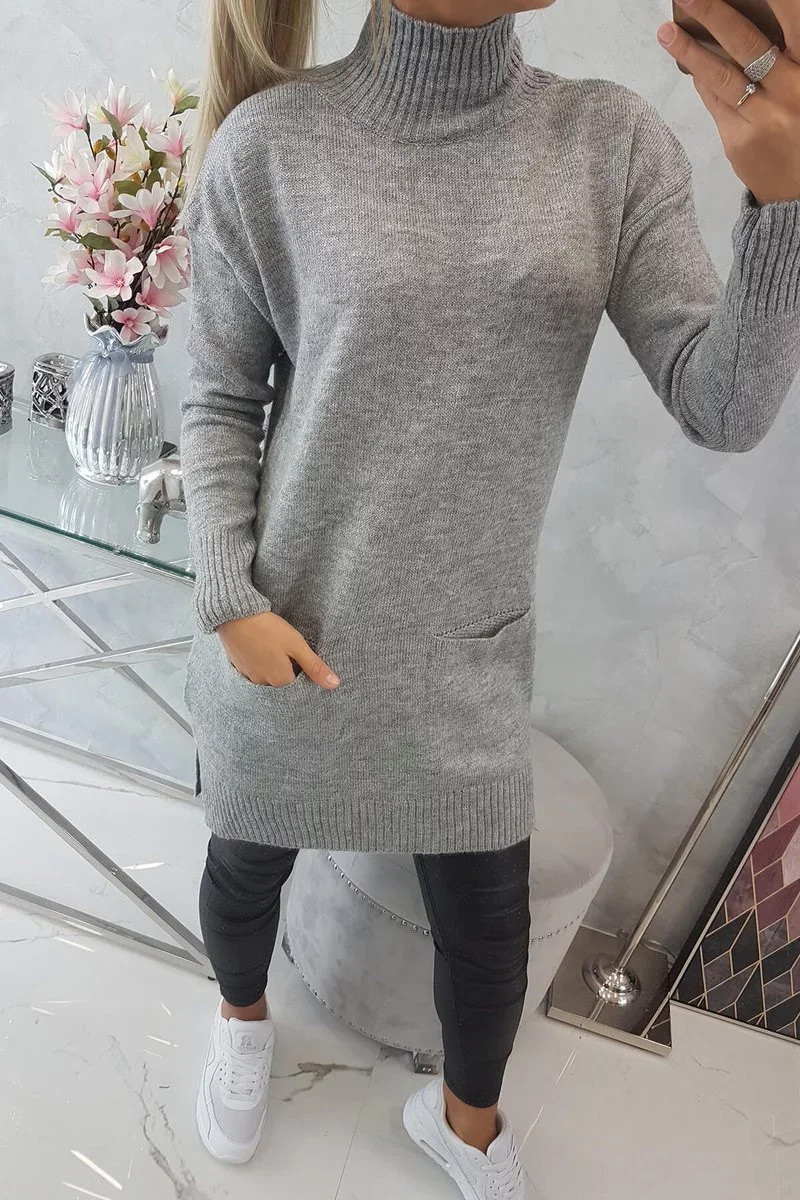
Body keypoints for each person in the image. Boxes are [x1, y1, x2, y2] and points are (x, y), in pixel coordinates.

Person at [180, 0, 800, 1194]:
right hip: (287, 629)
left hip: (463, 657)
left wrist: (781, 205)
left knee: (488, 932)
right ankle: (241, 1023)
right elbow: (215, 394)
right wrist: (226, 596)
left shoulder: (605, 144)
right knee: (245, 871)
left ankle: (462, 1125)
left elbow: (721, 408)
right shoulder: (273, 145)